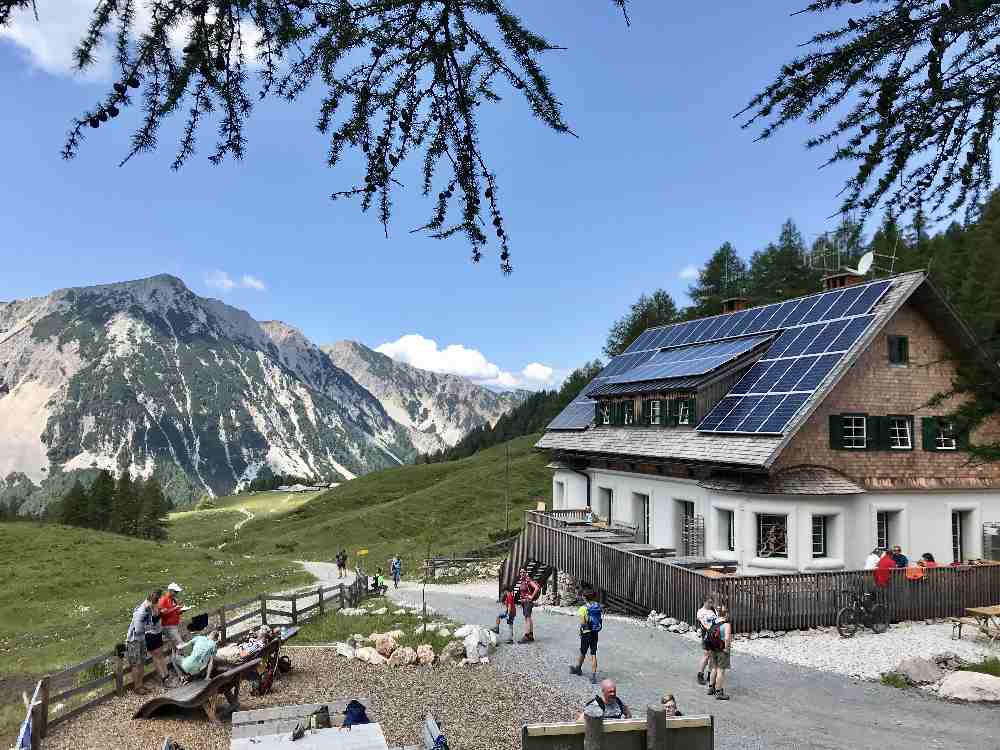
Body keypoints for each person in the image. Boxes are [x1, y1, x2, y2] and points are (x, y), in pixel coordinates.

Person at [125, 591, 159, 695]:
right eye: (154, 605)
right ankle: (137, 687)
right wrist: (149, 626)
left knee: (142, 663)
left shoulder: (148, 609)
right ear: (151, 602)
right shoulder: (140, 612)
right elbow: (139, 629)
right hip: (133, 640)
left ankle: (140, 684)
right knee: (136, 664)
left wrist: (155, 614)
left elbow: (152, 623)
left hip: (142, 639)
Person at [570, 590, 602, 684]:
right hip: (595, 632)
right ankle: (593, 676)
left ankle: (578, 668)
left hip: (586, 633)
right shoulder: (597, 606)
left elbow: (583, 623)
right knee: (593, 654)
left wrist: (581, 631)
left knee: (583, 651)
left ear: (585, 598)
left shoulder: (583, 608)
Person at [706, 605, 733, 701]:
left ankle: (711, 688)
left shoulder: (714, 622)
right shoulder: (726, 624)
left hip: (713, 648)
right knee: (721, 671)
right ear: (726, 614)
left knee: (714, 668)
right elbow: (727, 638)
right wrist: (727, 648)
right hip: (721, 650)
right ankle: (719, 692)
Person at [145, 588, 169, 685]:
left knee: (160, 654)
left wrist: (160, 610)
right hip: (150, 634)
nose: (160, 600)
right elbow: (153, 620)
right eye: (159, 598)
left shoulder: (155, 604)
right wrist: (161, 613)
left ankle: (166, 675)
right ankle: (163, 677)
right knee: (155, 655)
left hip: (157, 632)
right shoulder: (148, 606)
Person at [695, 596, 717, 685]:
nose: (710, 604)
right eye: (709, 602)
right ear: (704, 602)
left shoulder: (714, 610)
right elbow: (704, 624)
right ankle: (700, 674)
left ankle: (710, 674)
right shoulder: (701, 612)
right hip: (707, 636)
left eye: (711, 602)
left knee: (712, 656)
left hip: (715, 636)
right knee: (706, 655)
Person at [157, 583, 185, 653]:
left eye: (177, 592)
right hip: (168, 626)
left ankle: (175, 661)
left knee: (175, 646)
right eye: (175, 592)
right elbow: (162, 613)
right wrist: (175, 608)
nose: (176, 593)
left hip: (174, 625)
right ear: (170, 591)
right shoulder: (164, 600)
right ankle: (182, 661)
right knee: (180, 644)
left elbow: (175, 612)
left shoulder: (173, 600)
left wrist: (181, 611)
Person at [516, 569, 541, 644]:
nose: (522, 573)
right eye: (520, 572)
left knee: (527, 618)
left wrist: (531, 597)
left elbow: (536, 588)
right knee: (528, 617)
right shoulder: (522, 581)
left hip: (528, 602)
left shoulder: (528, 580)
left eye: (523, 572)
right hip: (524, 602)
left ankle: (526, 636)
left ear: (526, 573)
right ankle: (531, 635)